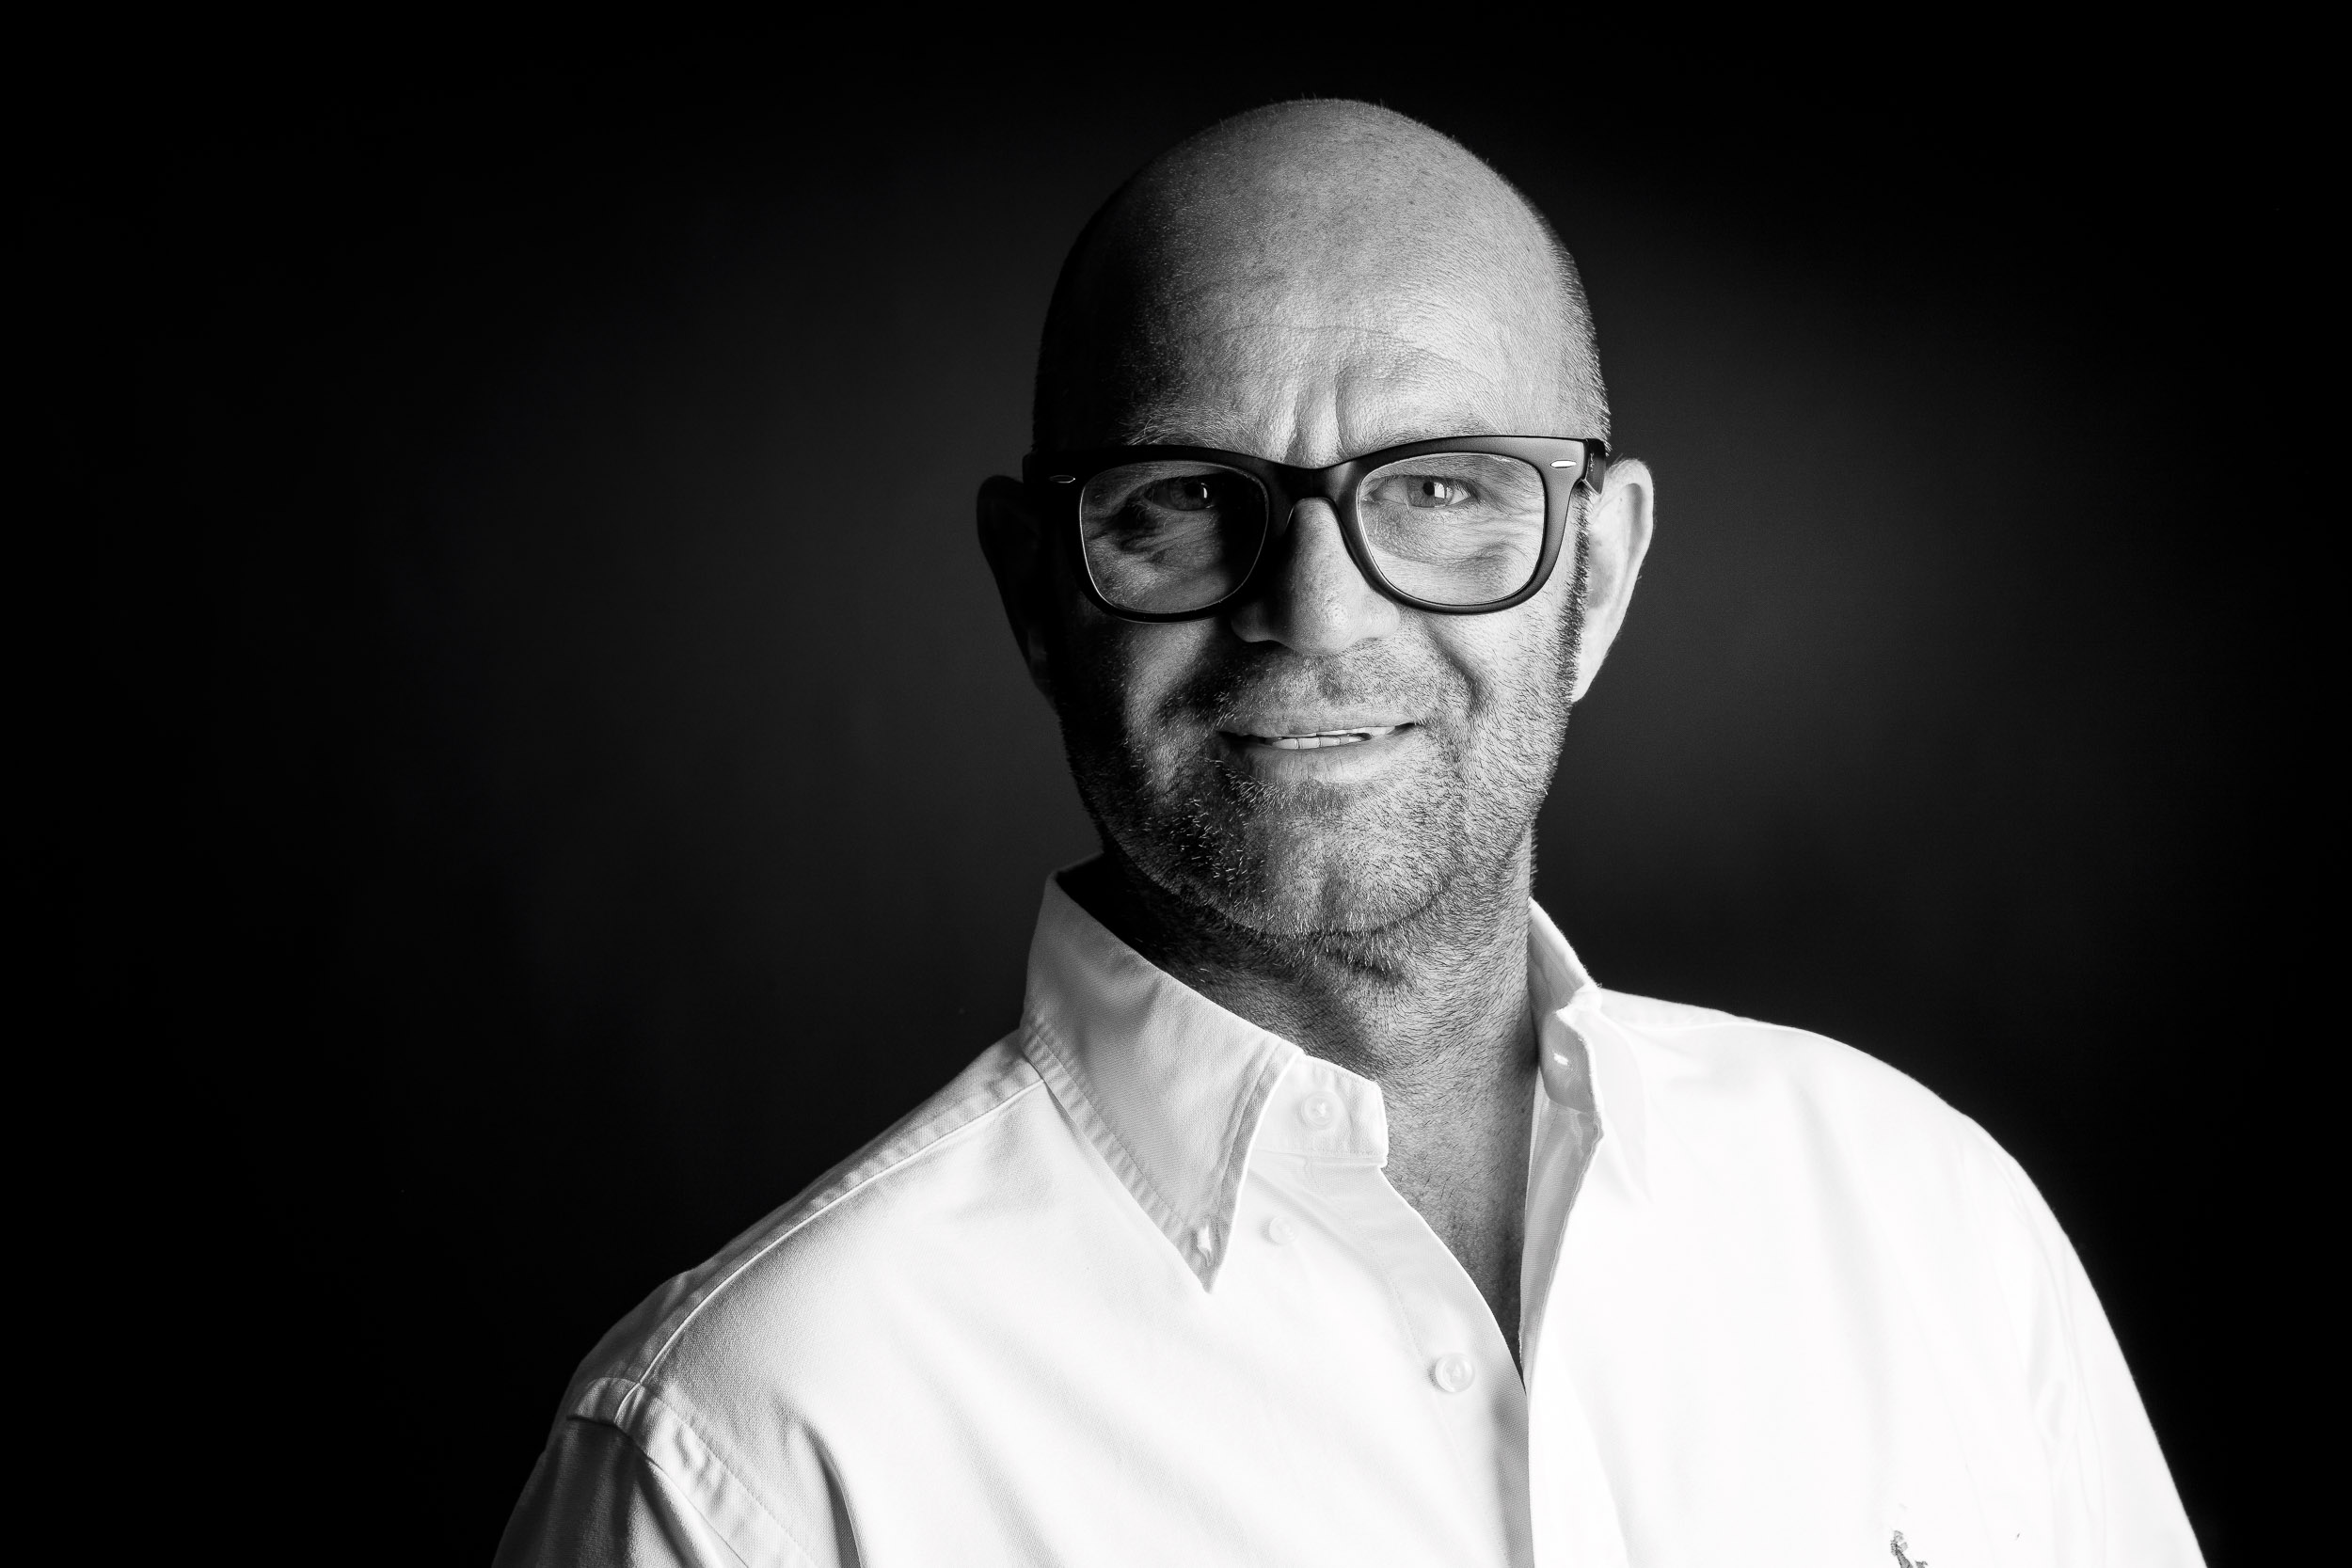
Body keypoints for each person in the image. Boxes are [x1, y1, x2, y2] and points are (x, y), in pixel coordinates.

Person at [495, 101, 2201, 1567]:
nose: (1315, 616)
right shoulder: (749, 1455)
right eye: (1185, 498)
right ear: (1035, 592)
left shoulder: (1927, 1222)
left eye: (1443, 488)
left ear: (1601, 573)